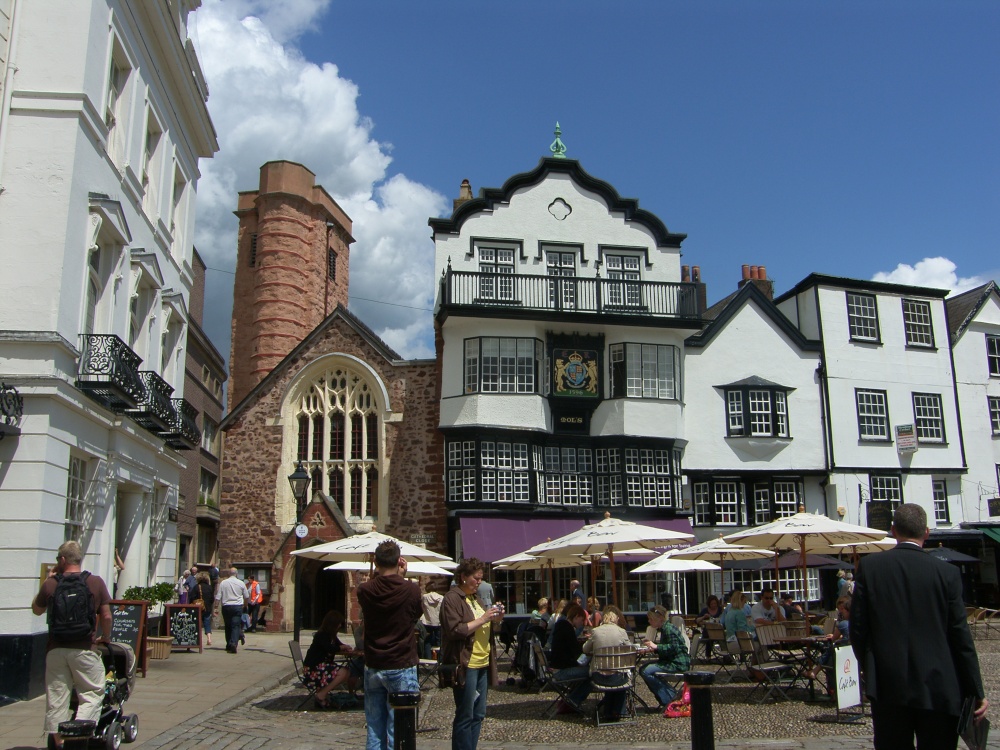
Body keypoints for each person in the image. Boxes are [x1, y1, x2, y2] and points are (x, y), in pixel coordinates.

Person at [851, 503, 988, 749]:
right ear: (926, 532)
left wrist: (869, 667)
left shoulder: (870, 568)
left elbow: (858, 628)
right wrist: (976, 690)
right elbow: (960, 636)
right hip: (939, 685)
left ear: (893, 530)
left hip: (889, 683)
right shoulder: (947, 573)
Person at [31, 540, 113, 750]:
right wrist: (106, 637)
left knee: (57, 697)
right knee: (92, 693)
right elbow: (106, 615)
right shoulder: (95, 582)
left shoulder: (51, 584)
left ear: (62, 560)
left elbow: (36, 610)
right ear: (79, 559)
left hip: (56, 650)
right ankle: (77, 736)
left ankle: (59, 742)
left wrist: (49, 580)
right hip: (85, 649)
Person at [357, 540, 422, 750]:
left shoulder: (365, 590)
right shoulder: (411, 590)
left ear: (376, 562)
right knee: (399, 731)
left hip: (374, 663)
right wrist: (401, 576)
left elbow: (379, 592)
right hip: (401, 663)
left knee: (375, 729)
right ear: (399, 561)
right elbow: (414, 616)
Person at [440, 557, 503, 750]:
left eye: (481, 579)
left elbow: (489, 628)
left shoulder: (475, 599)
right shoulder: (452, 599)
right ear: (463, 577)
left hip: (482, 662)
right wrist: (484, 618)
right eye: (476, 578)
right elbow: (454, 630)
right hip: (466, 664)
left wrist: (497, 618)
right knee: (465, 714)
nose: (479, 582)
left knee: (478, 714)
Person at [583, 609, 631, 721]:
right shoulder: (621, 631)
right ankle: (618, 710)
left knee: (609, 672)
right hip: (617, 677)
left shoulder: (595, 631)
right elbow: (630, 649)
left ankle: (608, 711)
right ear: (616, 620)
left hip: (599, 676)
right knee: (620, 673)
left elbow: (585, 649)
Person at [640, 605, 691, 707]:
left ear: (659, 618)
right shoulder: (664, 628)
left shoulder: (668, 629)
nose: (649, 621)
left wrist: (656, 647)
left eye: (651, 619)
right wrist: (653, 649)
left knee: (646, 671)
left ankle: (669, 698)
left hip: (677, 663)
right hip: (671, 660)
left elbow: (673, 648)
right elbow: (667, 649)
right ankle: (667, 695)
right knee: (642, 668)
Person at [304, 610, 354, 708]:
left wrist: (345, 646)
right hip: (313, 668)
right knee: (343, 672)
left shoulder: (332, 636)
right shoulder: (321, 635)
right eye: (339, 623)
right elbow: (329, 648)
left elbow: (339, 645)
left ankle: (323, 693)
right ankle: (321, 695)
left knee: (347, 672)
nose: (340, 625)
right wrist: (340, 648)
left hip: (323, 666)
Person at [548, 602, 591, 713]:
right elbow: (576, 652)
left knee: (588, 672)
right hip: (562, 671)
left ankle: (570, 699)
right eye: (581, 620)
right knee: (593, 673)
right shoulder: (567, 629)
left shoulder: (560, 625)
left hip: (556, 668)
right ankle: (573, 701)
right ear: (576, 616)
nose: (582, 624)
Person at [214, 567, 249, 653]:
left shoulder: (223, 583)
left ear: (229, 574)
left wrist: (215, 607)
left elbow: (218, 596)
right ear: (236, 574)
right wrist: (245, 606)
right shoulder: (241, 583)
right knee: (235, 626)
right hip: (237, 606)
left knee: (228, 625)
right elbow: (246, 596)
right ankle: (233, 643)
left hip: (226, 606)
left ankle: (229, 644)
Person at [188, 571, 214, 646]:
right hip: (207, 608)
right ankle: (209, 638)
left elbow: (191, 597)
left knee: (196, 623)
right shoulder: (209, 587)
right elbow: (212, 599)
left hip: (197, 608)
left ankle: (196, 638)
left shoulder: (196, 587)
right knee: (207, 623)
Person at [421, 579, 445, 659]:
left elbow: (422, 608)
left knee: (427, 642)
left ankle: (428, 659)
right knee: (439, 642)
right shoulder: (441, 598)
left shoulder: (424, 597)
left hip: (427, 622)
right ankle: (439, 659)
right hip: (438, 622)